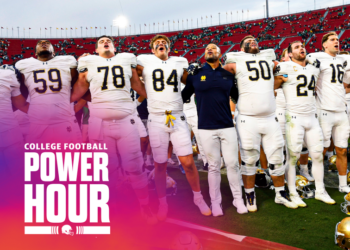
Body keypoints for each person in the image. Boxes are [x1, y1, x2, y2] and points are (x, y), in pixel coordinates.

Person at [71, 35, 156, 224]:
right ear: (96, 50)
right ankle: (109, 205)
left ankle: (144, 205)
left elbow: (137, 85)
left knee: (134, 168)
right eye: (100, 42)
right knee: (106, 169)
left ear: (115, 48)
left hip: (127, 121)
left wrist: (161, 97)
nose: (105, 42)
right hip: (99, 124)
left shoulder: (126, 59)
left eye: (108, 41)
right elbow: (79, 88)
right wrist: (62, 104)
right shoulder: (88, 62)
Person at [136, 34, 211, 221]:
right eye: (157, 44)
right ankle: (163, 203)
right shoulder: (143, 61)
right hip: (157, 118)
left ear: (169, 48)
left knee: (188, 162)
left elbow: (191, 83)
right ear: (152, 50)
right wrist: (143, 94)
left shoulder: (179, 62)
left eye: (164, 43)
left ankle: (198, 197)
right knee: (159, 165)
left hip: (176, 116)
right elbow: (129, 76)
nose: (161, 44)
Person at [224, 35, 297, 212]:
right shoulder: (235, 62)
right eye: (247, 41)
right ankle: (249, 194)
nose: (252, 41)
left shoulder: (269, 60)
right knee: (249, 159)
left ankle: (280, 193)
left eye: (254, 39)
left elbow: (280, 69)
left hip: (270, 117)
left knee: (277, 157)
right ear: (241, 49)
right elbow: (224, 74)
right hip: (247, 118)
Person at [182, 43, 248, 216]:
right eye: (206, 49)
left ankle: (238, 199)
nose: (209, 50)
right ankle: (215, 202)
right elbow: (183, 96)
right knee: (213, 166)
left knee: (233, 164)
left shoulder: (227, 75)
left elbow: (237, 95)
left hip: (227, 125)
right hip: (205, 127)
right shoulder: (196, 74)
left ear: (220, 54)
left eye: (213, 48)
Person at [274, 41, 335, 206]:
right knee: (292, 157)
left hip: (312, 118)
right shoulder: (284, 67)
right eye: (296, 47)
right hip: (294, 118)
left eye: (302, 46)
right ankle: (293, 193)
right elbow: (270, 85)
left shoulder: (313, 67)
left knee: (317, 156)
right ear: (290, 54)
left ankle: (320, 191)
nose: (301, 48)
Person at [307, 32, 350, 193]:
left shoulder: (343, 59)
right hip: (324, 110)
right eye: (332, 40)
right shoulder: (316, 58)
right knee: (321, 150)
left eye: (338, 40)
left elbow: (346, 81)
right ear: (324, 44)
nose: (336, 42)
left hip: (341, 110)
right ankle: (319, 185)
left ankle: (343, 184)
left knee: (342, 149)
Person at [15, 40, 80, 143]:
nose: (43, 43)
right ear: (35, 53)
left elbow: (80, 84)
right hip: (37, 123)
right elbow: (16, 91)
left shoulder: (68, 61)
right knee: (39, 157)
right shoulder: (23, 65)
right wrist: (30, 110)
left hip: (63, 121)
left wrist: (70, 102)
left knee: (67, 157)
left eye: (47, 43)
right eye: (39, 43)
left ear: (54, 52)